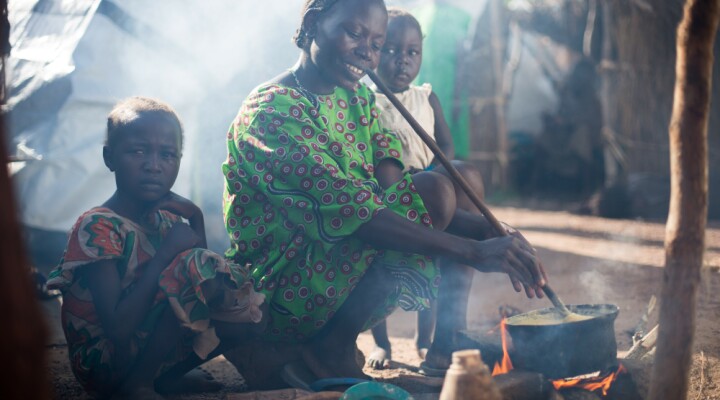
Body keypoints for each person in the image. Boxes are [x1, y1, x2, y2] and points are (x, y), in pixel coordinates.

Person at [222, 0, 546, 385]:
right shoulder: (271, 112)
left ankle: (359, 344)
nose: (368, 52)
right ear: (312, 24)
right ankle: (330, 348)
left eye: (377, 43)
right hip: (278, 291)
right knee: (434, 192)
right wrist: (473, 251)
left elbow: (398, 198)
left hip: (330, 269)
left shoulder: (356, 98)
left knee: (447, 186)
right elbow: (356, 214)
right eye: (354, 33)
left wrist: (490, 232)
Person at [47, 97, 266, 399]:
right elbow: (118, 328)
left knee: (242, 305)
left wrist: (196, 218)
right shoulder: (99, 227)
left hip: (145, 348)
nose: (153, 166)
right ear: (109, 158)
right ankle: (139, 383)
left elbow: (205, 292)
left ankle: (162, 378)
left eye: (167, 155)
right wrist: (165, 255)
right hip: (105, 361)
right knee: (192, 267)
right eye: (138, 151)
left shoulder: (167, 220)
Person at [365, 7, 489, 371]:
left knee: (466, 174)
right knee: (439, 191)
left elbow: (446, 146)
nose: (401, 61)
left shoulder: (426, 97)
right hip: (391, 193)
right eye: (389, 50)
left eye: (411, 52)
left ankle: (441, 337)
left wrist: (439, 170)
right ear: (374, 50)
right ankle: (382, 344)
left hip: (432, 183)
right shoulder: (366, 101)